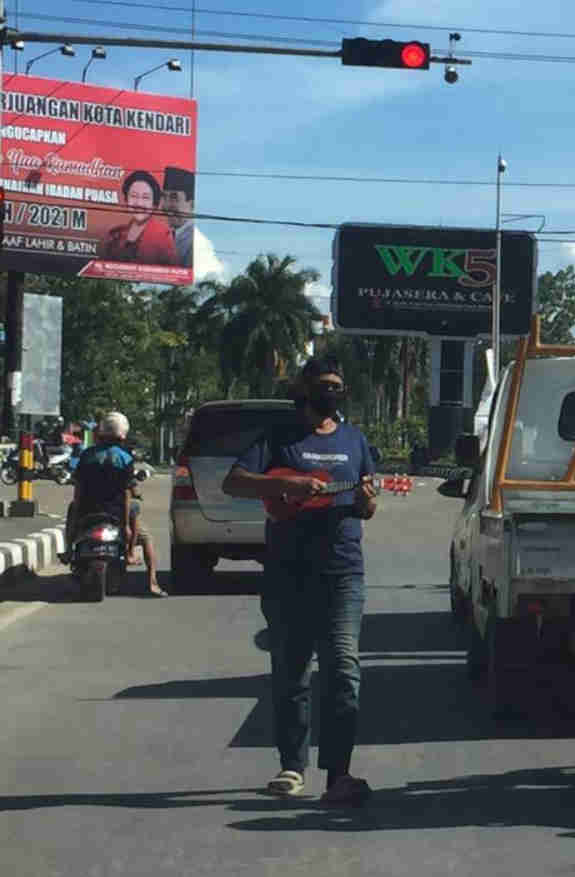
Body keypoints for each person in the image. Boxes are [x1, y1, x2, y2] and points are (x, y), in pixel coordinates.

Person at [221, 356, 379, 807]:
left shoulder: (355, 440)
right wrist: (286, 485)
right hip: (288, 571)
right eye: (324, 385)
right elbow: (236, 483)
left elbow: (367, 506)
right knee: (291, 672)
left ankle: (339, 775)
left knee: (343, 669)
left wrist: (368, 500)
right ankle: (292, 766)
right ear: (305, 389)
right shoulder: (278, 437)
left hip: (343, 570)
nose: (332, 393)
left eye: (338, 386)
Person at [67, 412, 164, 597]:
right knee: (145, 533)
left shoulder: (87, 455)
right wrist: (126, 526)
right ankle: (147, 577)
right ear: (122, 435)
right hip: (116, 513)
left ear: (101, 433)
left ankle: (68, 549)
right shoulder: (125, 458)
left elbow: (78, 488)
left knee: (72, 508)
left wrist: (78, 508)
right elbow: (127, 491)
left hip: (88, 511)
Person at [101, 171, 178, 265]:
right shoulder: (115, 235)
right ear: (126, 200)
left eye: (145, 198)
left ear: (154, 204)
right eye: (134, 196)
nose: (139, 203)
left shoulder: (164, 235)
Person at [162, 166, 196, 268]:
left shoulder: (193, 242)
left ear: (192, 204)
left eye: (174, 198)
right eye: (164, 197)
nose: (166, 206)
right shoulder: (169, 236)